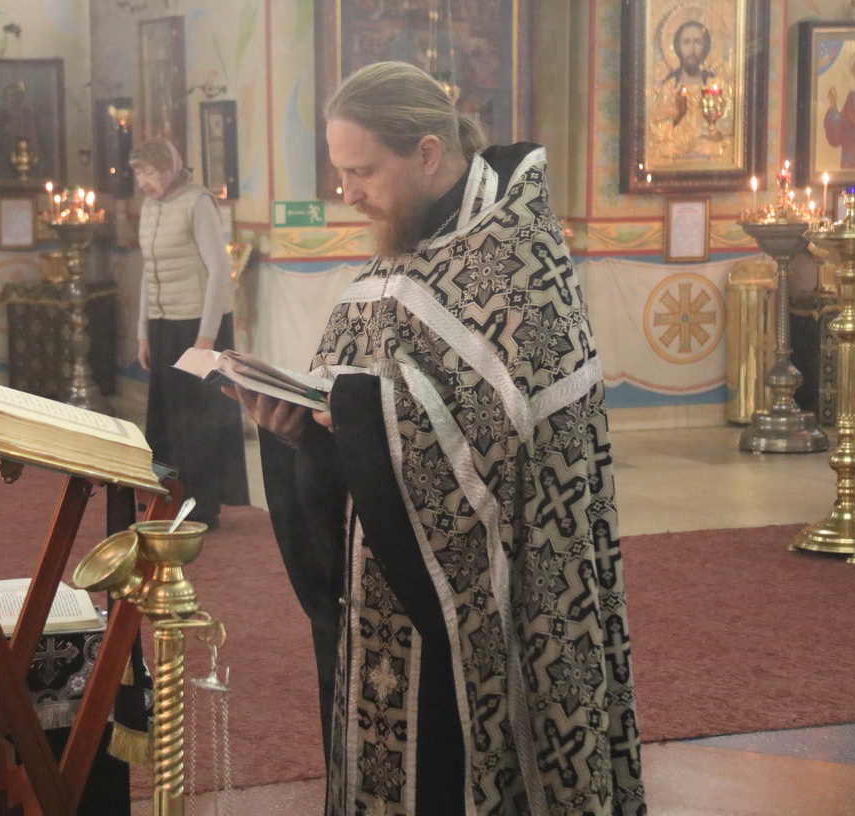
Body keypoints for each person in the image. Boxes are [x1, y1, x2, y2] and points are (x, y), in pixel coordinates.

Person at [230, 62, 645, 815]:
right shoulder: (407, 242)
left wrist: (360, 412)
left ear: (426, 153)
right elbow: (362, 387)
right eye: (339, 172)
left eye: (361, 171)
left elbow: (505, 442)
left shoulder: (516, 260)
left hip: (505, 596)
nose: (347, 193)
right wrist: (300, 429)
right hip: (382, 578)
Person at [131, 137, 248, 529]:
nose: (143, 182)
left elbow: (219, 270)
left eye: (148, 172)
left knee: (197, 420)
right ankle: (165, 494)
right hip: (164, 324)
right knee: (166, 417)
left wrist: (206, 338)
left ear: (169, 169)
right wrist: (143, 333)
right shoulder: (150, 206)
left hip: (199, 325)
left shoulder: (198, 202)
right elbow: (149, 272)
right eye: (138, 173)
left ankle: (200, 504)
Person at [649, 19, 731, 162]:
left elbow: (730, 126)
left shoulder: (717, 86)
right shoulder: (670, 88)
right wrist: (678, 115)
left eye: (698, 42)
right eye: (686, 42)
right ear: (677, 47)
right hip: (676, 158)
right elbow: (655, 131)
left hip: (710, 157)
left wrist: (716, 128)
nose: (692, 50)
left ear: (706, 48)